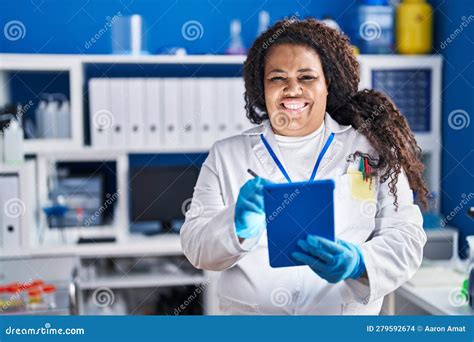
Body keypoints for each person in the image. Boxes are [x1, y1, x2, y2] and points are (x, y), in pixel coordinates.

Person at [180, 18, 428, 315]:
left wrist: (359, 262)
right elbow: (195, 246)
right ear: (262, 87)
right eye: (277, 78)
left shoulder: (370, 152)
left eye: (307, 77)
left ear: (328, 84)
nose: (292, 90)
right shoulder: (227, 155)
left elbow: (408, 238)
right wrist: (236, 225)